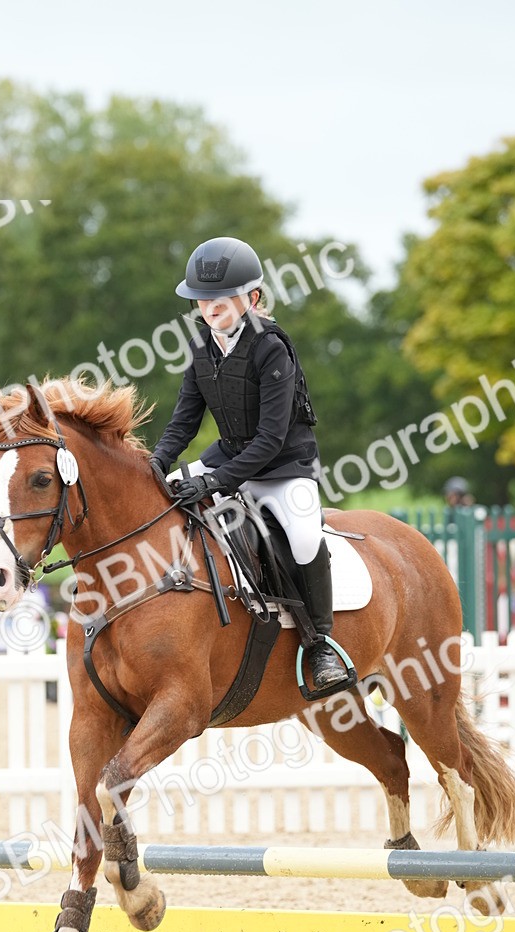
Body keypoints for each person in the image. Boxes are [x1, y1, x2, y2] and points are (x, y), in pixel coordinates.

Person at [150, 235, 349, 692]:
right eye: (202, 298)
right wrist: (157, 465)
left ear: (251, 298)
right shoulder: (202, 347)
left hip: (283, 466)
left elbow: (271, 437)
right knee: (164, 496)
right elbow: (183, 423)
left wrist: (216, 480)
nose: (209, 306)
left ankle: (321, 645)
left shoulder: (270, 347)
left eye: (219, 297)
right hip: (232, 456)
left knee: (302, 538)